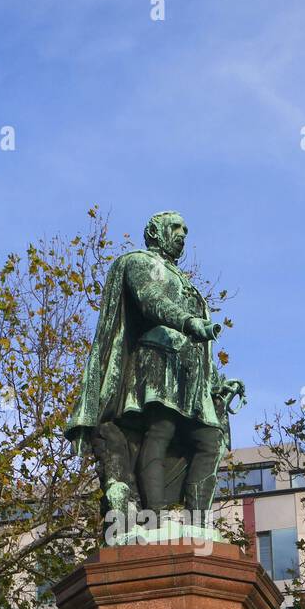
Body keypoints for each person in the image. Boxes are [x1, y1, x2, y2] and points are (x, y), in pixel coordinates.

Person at [66, 211, 245, 516]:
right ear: (154, 232)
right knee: (161, 428)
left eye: (185, 230)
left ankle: (197, 521)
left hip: (192, 372)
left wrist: (217, 382)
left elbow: (200, 345)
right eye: (175, 227)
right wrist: (188, 322)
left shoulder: (184, 281)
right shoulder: (138, 262)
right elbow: (150, 301)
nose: (182, 234)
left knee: (210, 440)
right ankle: (156, 515)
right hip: (157, 358)